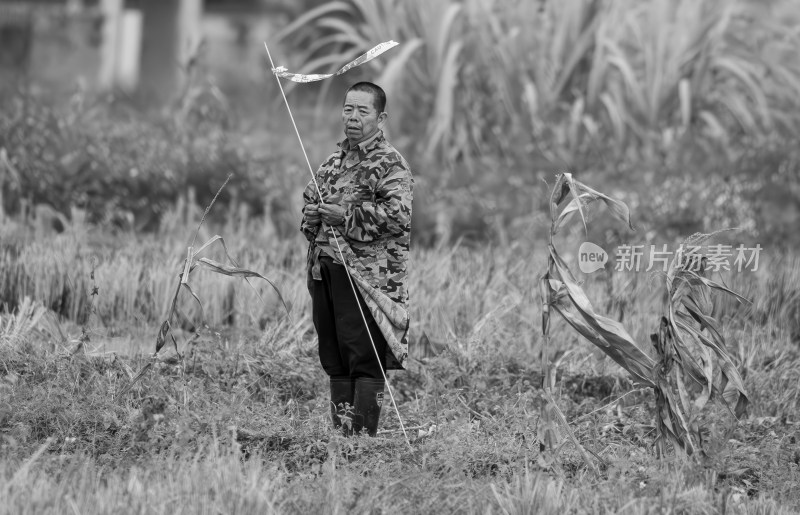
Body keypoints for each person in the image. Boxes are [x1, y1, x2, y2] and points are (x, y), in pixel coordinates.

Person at [300, 82, 413, 437]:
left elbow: (398, 217)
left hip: (364, 276)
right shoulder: (331, 163)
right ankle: (341, 438)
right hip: (326, 271)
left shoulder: (389, 163)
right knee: (334, 356)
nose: (352, 117)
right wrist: (314, 216)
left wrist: (345, 216)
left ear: (380, 118)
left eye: (362, 111)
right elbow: (307, 217)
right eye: (348, 109)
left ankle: (363, 442)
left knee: (364, 355)